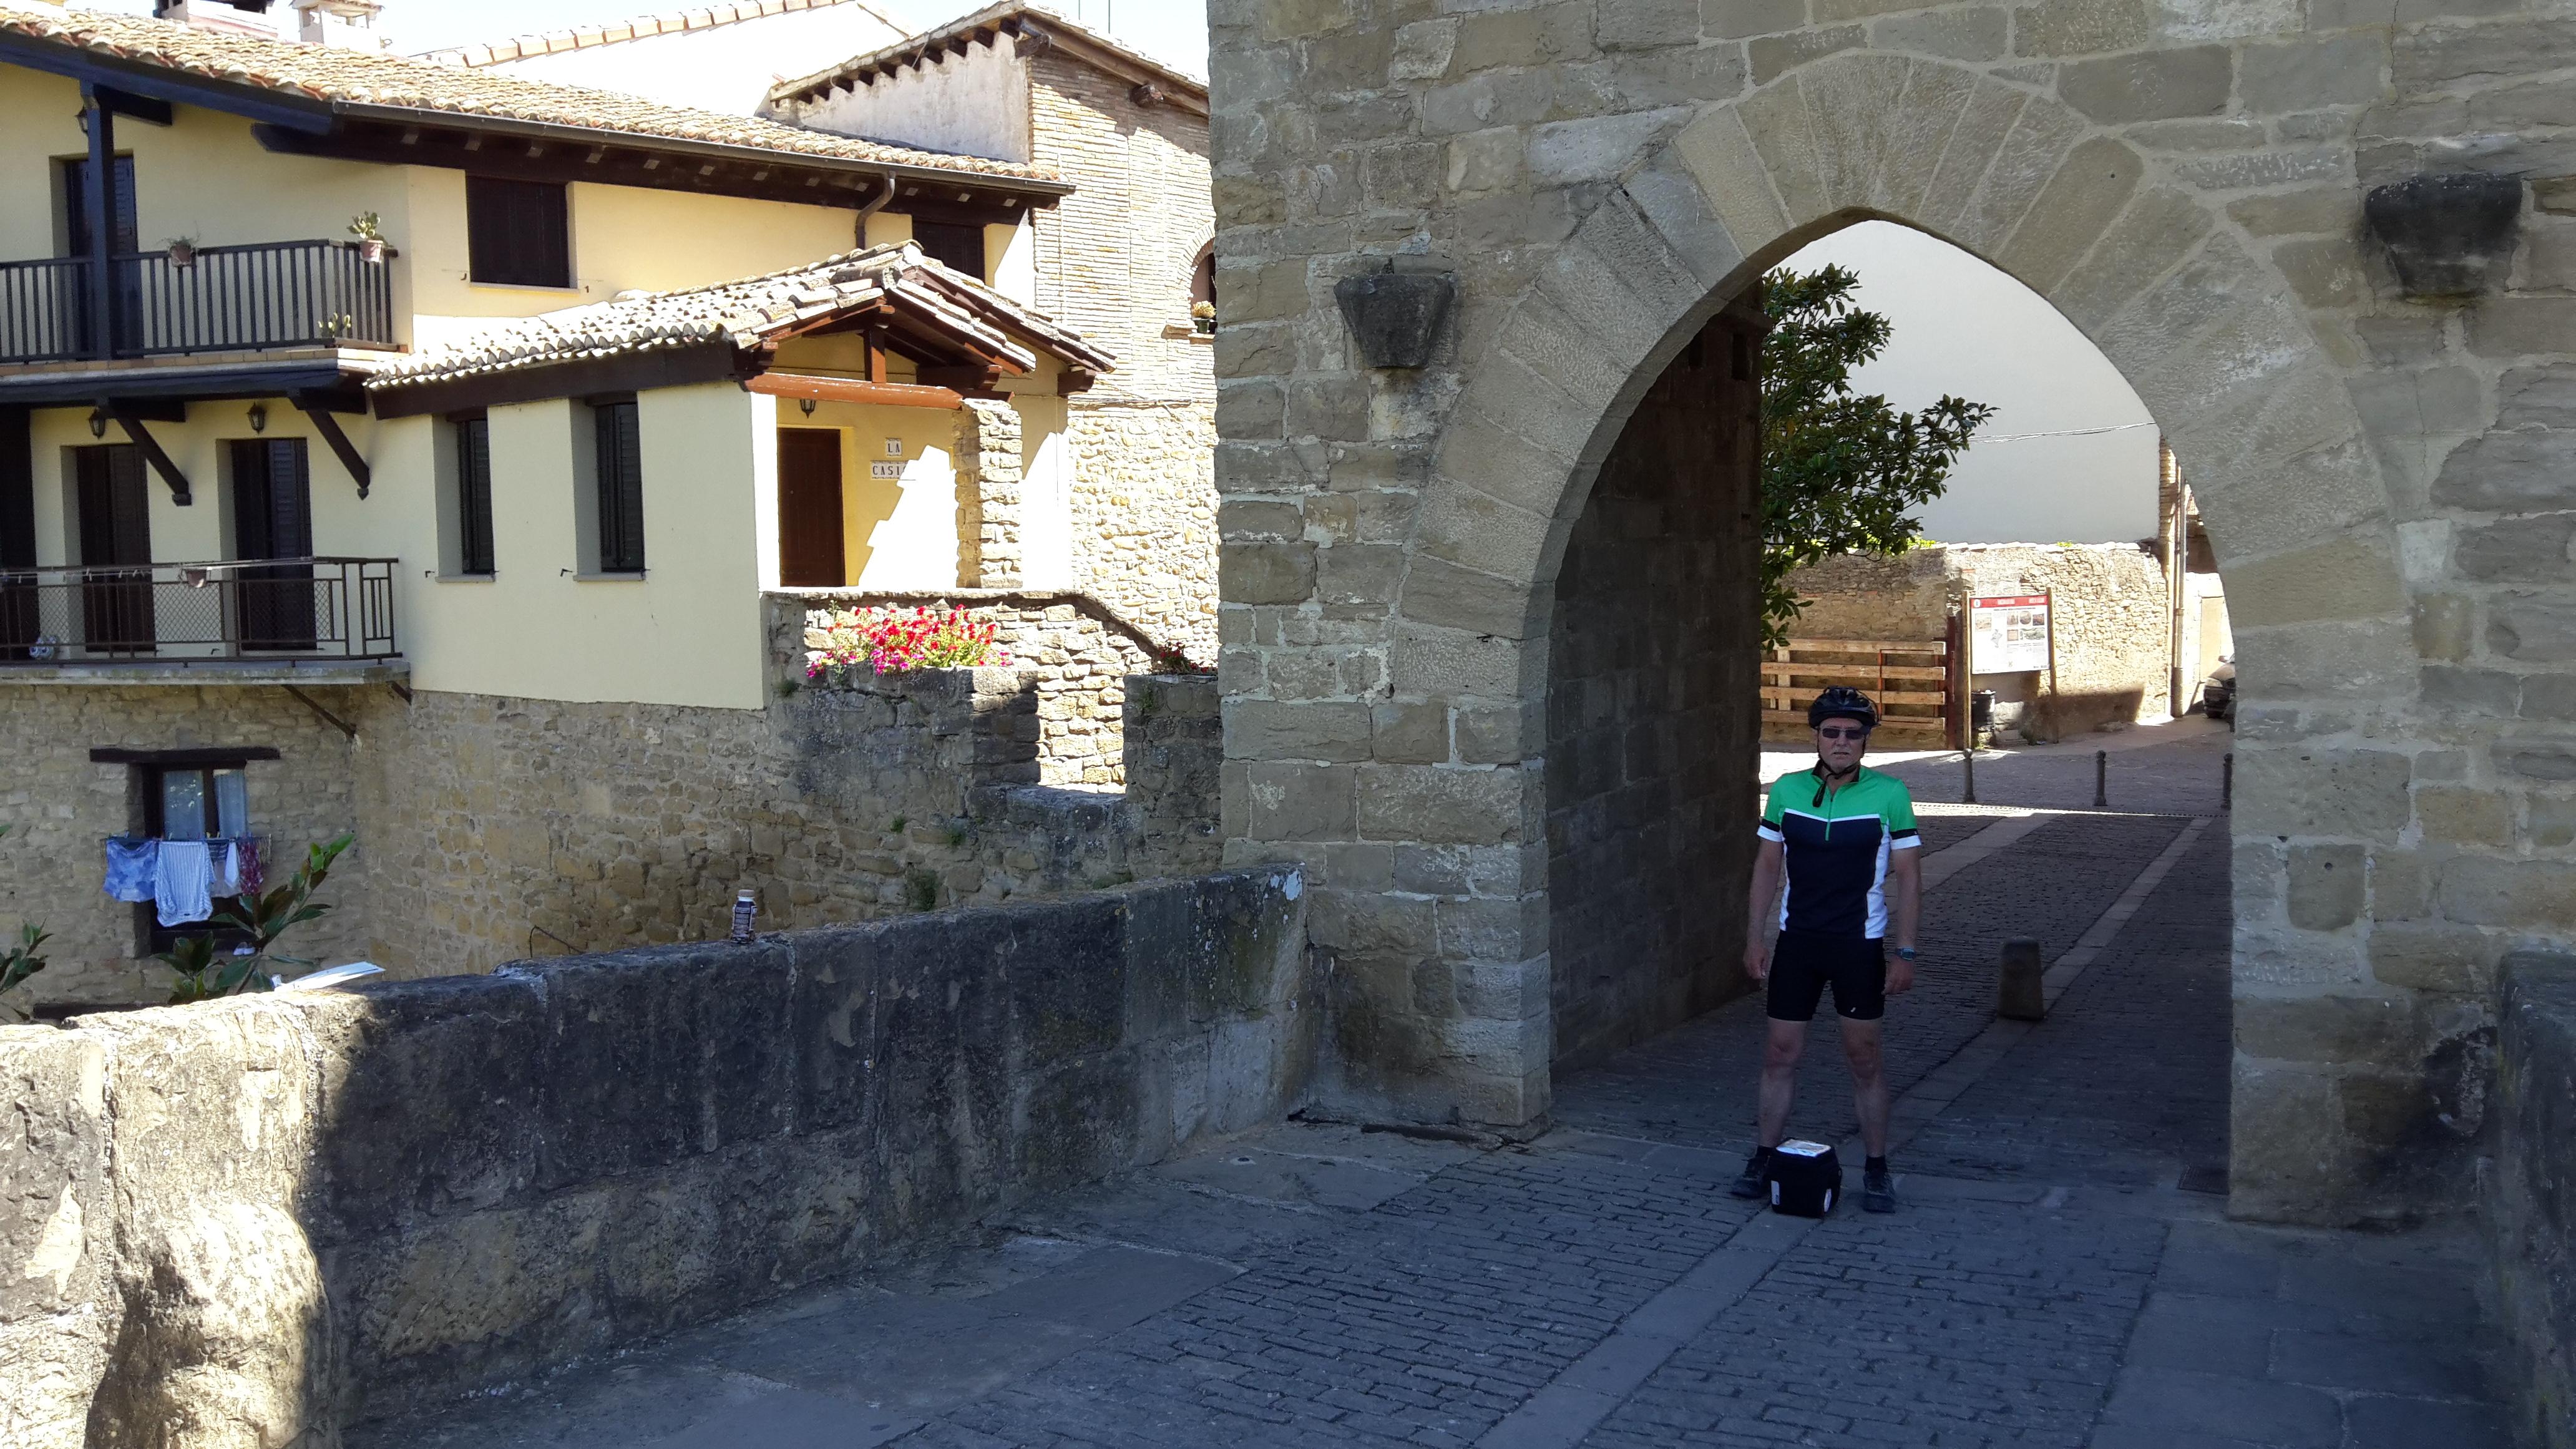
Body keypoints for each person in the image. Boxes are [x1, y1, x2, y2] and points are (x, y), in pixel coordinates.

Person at [1731, 686, 1923, 1214]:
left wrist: (1904, 952)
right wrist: (1755, 937)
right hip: (1799, 942)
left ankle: (1878, 1169)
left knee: (1864, 1060)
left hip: (1858, 945)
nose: (1842, 742)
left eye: (1853, 734)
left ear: (1865, 741)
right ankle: (1764, 1157)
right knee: (1779, 1054)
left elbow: (1908, 877)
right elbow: (1768, 867)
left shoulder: (1890, 794)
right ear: (1816, 736)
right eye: (1832, 732)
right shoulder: (1788, 791)